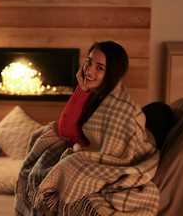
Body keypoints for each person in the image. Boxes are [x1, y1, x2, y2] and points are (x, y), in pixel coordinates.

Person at [15, 41, 160, 216]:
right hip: (85, 147)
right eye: (89, 62)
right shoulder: (93, 94)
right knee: (43, 139)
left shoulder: (121, 106)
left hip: (116, 161)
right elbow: (66, 129)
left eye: (100, 68)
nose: (90, 71)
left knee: (69, 165)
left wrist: (76, 141)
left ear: (112, 73)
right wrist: (81, 89)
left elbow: (110, 152)